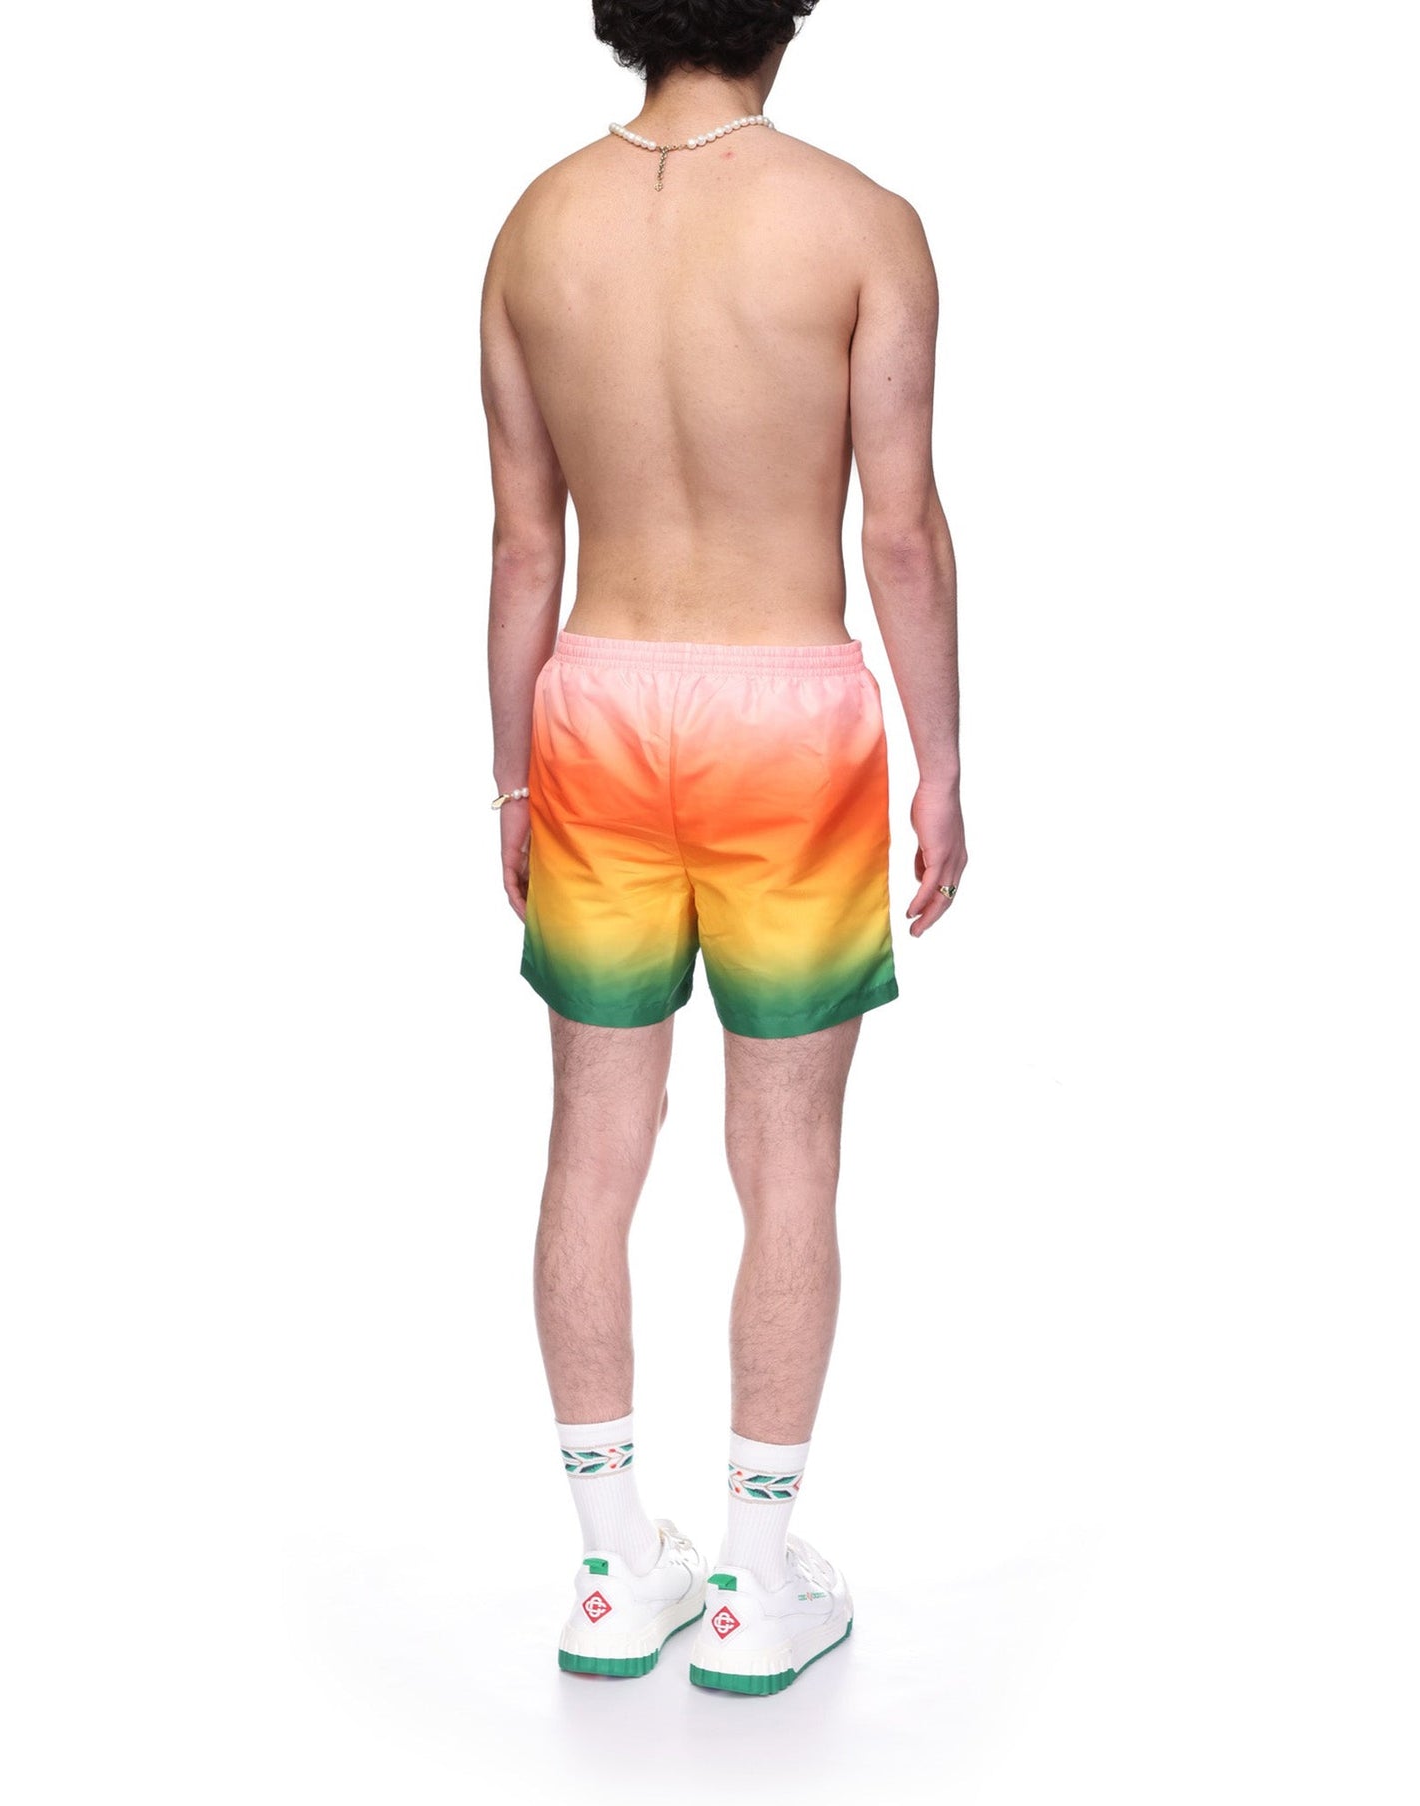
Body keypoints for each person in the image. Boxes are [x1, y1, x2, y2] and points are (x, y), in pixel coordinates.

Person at [480, 0, 965, 1695]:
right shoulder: (859, 221)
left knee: (590, 1146)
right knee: (789, 1153)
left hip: (595, 704)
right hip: (785, 719)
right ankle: (756, 1579)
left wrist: (512, 782)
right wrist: (942, 762)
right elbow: (898, 533)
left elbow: (521, 545)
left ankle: (613, 1569)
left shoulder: (535, 226)